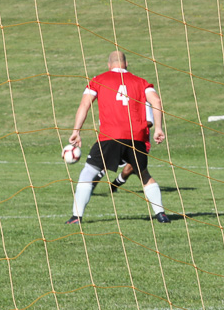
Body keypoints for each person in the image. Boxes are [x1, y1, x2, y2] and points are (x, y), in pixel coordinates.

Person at [65, 50, 169, 224]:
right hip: (136, 137)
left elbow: (84, 105)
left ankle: (76, 217)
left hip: (110, 136)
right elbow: (156, 101)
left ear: (109, 65)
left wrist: (76, 130)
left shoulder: (99, 80)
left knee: (88, 172)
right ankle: (161, 214)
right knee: (144, 174)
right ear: (126, 64)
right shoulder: (141, 82)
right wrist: (158, 128)